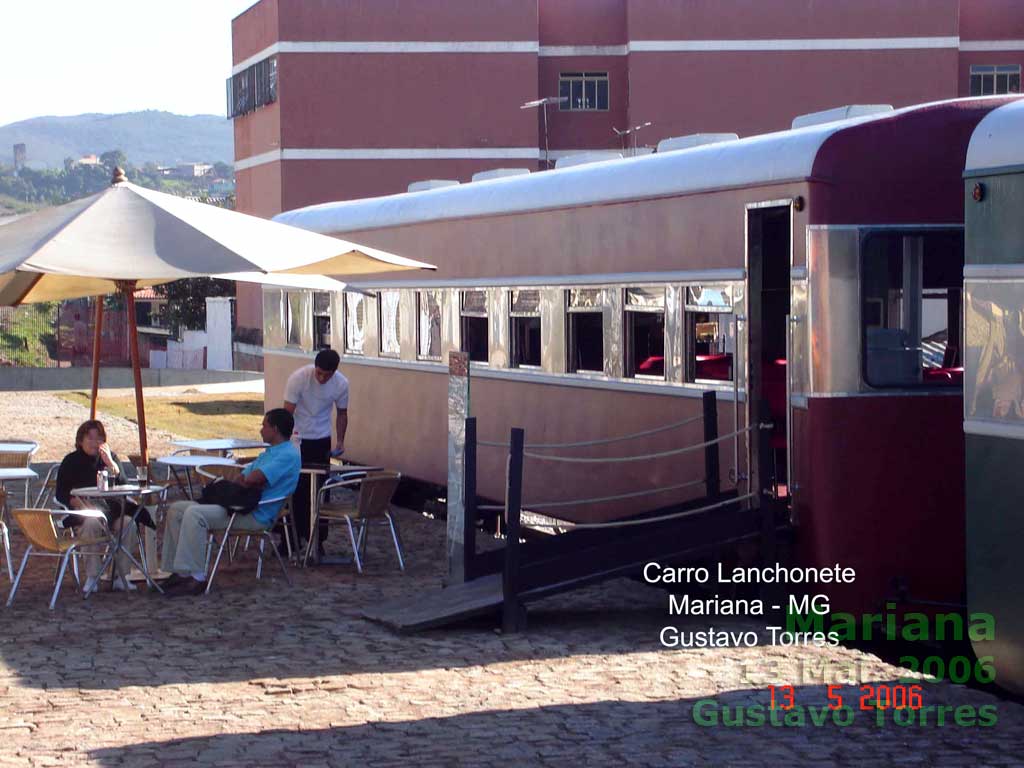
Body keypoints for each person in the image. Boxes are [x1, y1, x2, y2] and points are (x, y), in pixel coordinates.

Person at [160, 408, 301, 596]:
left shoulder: (287, 455)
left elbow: (253, 478)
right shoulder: (269, 452)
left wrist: (250, 480)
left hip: (254, 514)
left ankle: (197, 577)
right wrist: (249, 480)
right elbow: (241, 477)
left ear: (274, 429)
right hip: (238, 506)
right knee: (177, 509)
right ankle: (179, 570)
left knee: (195, 514)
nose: (260, 430)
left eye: (264, 425)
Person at [55, 420, 139, 592]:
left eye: (99, 438)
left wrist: (111, 465)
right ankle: (93, 576)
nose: (95, 443)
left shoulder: (110, 458)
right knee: (92, 523)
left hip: (111, 511)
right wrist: (76, 503)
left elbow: (124, 486)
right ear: (80, 441)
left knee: (129, 523)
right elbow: (61, 492)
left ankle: (119, 576)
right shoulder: (71, 461)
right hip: (85, 511)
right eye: (91, 438)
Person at [283, 349, 349, 551]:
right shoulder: (299, 378)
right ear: (315, 367)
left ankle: (317, 539)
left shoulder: (341, 384)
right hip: (297, 437)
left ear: (334, 372)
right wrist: (284, 443)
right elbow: (287, 413)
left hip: (321, 438)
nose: (321, 378)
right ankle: (289, 540)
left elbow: (342, 414)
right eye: (319, 373)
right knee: (294, 488)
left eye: (326, 375)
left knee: (320, 490)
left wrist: (340, 442)